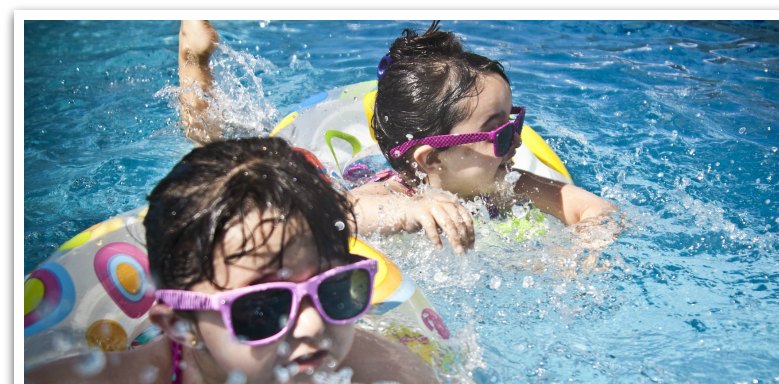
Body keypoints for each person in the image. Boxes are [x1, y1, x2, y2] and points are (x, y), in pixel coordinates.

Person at [24, 137, 439, 384]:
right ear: (180, 325)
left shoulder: (373, 371)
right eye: (264, 308)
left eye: (333, 290)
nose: (313, 325)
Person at [177, 20, 620, 254]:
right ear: (431, 161)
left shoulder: (508, 184)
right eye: (498, 134)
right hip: (339, 173)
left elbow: (593, 209)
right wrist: (410, 210)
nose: (517, 144)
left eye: (515, 124)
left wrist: (586, 247)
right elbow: (341, 215)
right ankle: (194, 61)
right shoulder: (394, 190)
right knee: (220, 156)